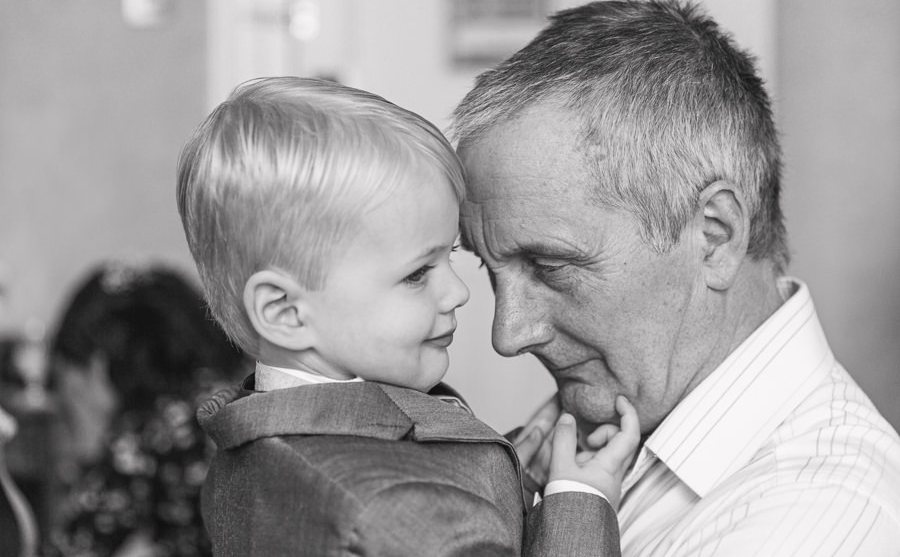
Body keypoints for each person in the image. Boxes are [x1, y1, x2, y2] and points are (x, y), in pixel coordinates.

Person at [451, 0, 900, 556]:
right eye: (488, 268)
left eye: (550, 267)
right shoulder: (594, 436)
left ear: (715, 237)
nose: (509, 333)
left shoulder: (813, 522)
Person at [175, 76, 639, 556]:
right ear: (285, 311)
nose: (458, 292)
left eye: (451, 256)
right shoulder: (396, 509)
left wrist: (508, 486)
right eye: (417, 273)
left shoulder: (251, 450)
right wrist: (580, 503)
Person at [44, 262, 249, 557]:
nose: (66, 431)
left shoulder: (145, 439)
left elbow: (69, 550)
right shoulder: (241, 401)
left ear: (98, 368)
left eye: (67, 397)